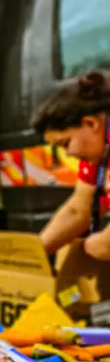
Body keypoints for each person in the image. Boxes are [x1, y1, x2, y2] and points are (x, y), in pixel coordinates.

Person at [34, 70, 110, 260]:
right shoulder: (99, 153)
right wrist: (33, 255)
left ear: (91, 124)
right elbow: (77, 210)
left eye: (66, 143)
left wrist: (95, 245)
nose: (68, 154)